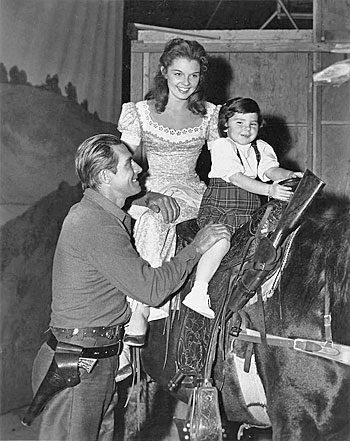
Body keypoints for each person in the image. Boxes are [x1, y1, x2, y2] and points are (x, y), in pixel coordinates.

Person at [26, 134, 230, 441]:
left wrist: (150, 198)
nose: (138, 168)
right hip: (79, 365)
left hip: (98, 359)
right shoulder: (94, 223)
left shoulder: (104, 214)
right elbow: (150, 290)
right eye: (127, 164)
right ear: (106, 176)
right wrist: (196, 248)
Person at [117, 37, 221, 344]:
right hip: (149, 188)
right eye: (178, 74)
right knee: (152, 220)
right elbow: (121, 165)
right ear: (164, 71)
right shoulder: (139, 112)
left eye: (193, 75)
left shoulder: (211, 115)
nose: (185, 83)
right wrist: (146, 197)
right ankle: (140, 309)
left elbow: (225, 162)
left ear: (201, 77)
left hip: (190, 192)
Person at [183, 97, 304, 318]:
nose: (246, 129)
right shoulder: (222, 146)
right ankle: (198, 291)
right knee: (220, 241)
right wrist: (270, 191)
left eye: (252, 124)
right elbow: (237, 178)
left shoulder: (262, 147)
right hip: (222, 208)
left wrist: (289, 175)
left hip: (249, 212)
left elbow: (270, 170)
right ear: (225, 125)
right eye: (239, 123)